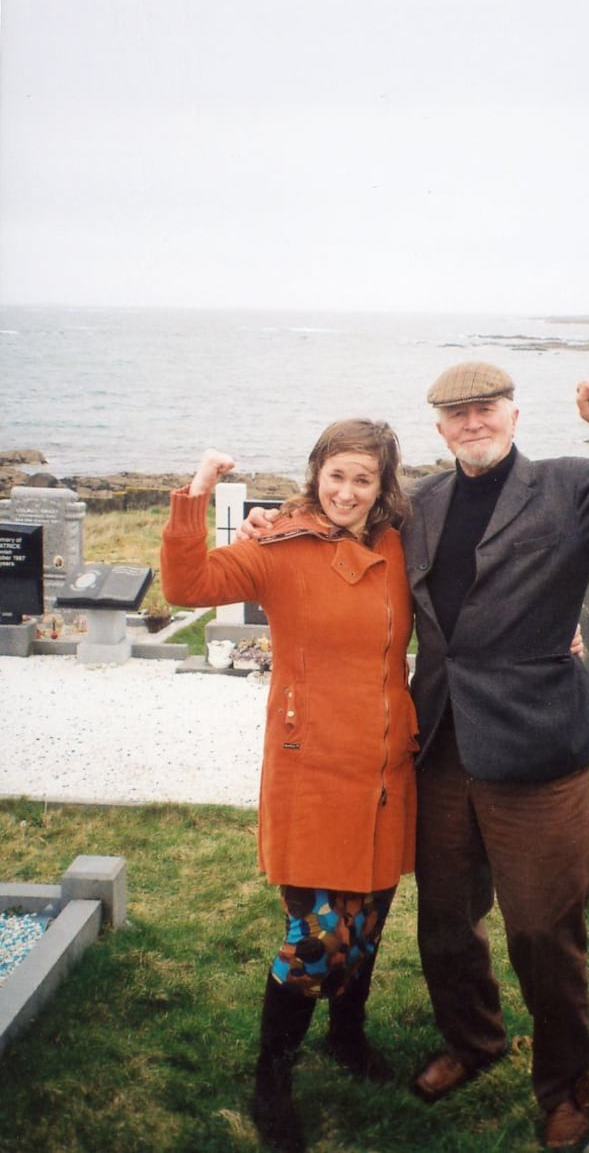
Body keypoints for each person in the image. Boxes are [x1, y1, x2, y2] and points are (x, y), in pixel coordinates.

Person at [240, 366, 589, 1151]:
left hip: (537, 746)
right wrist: (271, 524)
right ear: (441, 428)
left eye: (484, 408)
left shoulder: (572, 485)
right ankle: (475, 1041)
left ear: (513, 414)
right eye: (456, 413)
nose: (472, 421)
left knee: (541, 929)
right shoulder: (419, 505)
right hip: (443, 740)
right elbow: (339, 527)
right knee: (447, 921)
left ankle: (565, 1087)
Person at [160, 419, 420, 1153]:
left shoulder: (401, 545)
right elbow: (186, 585)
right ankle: (270, 1079)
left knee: (365, 926)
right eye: (335, 475)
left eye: (362, 479)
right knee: (315, 941)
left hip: (387, 767)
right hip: (314, 770)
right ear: (316, 474)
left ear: (382, 486)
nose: (346, 491)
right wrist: (199, 493)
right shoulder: (279, 546)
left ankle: (347, 1035)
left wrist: (556, 632)